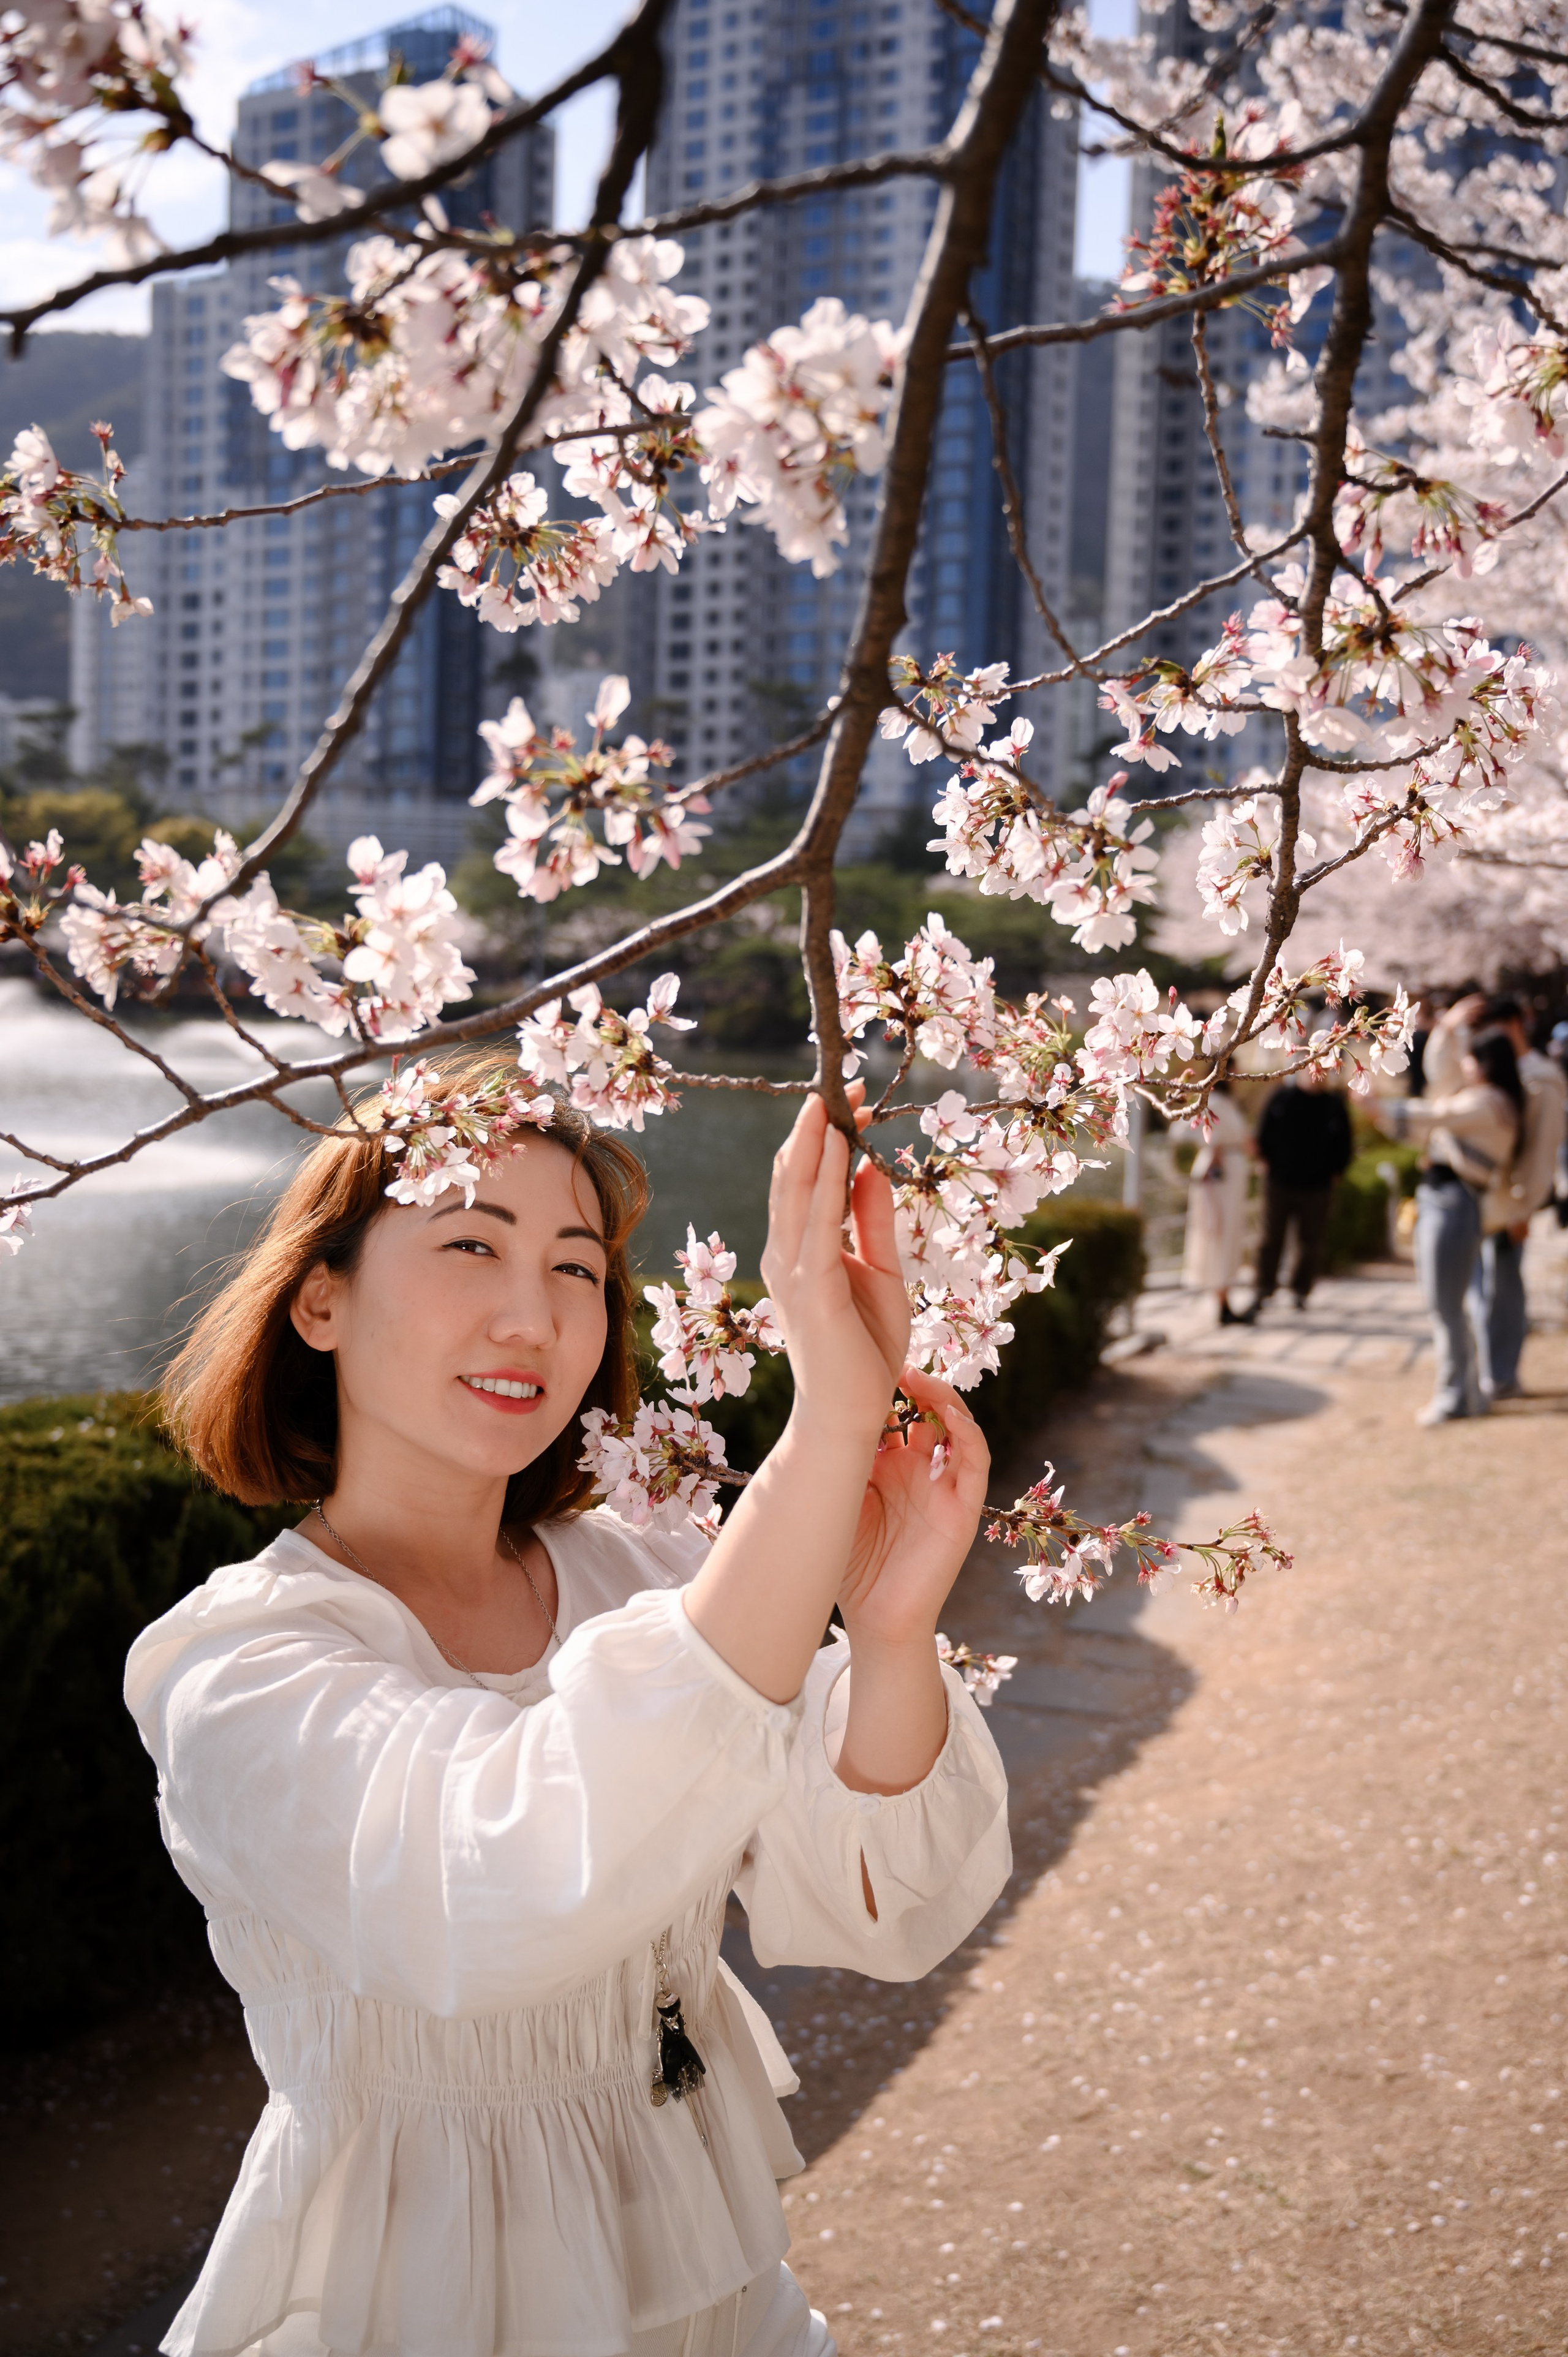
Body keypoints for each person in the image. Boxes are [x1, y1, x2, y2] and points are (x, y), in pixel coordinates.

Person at [124, 1051, 1011, 2357]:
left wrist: (884, 1633)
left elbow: (876, 1899)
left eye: (577, 1268)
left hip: (714, 2288)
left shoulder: (643, 1577)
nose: (532, 1318)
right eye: (471, 1246)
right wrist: (823, 1427)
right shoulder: (241, 1670)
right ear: (321, 1297)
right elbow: (509, 1872)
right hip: (418, 2295)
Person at [1376, 1027, 1524, 1424]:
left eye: (1471, 1058)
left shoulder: (1488, 1101)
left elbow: (1436, 1113)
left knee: (1445, 1307)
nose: (1465, 1065)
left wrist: (1376, 1106)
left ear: (1487, 1063)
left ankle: (1454, 1395)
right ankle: (1466, 1392)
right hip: (1452, 1202)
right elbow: (1444, 1090)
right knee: (1449, 1306)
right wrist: (1448, 1029)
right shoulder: (1497, 1101)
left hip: (1453, 1203)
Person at [1423, 994, 1567, 1399]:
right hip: (1475, 1199)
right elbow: (1444, 1085)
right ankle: (1484, 1375)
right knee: (1475, 1291)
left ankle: (1501, 1376)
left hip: (1507, 1203)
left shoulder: (1541, 1079)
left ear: (1517, 1025)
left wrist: (1524, 1204)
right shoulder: (1489, 1069)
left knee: (1502, 1291)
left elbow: (1541, 1150)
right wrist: (1447, 1031)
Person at [1245, 1057, 1353, 1316]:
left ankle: (1300, 1290)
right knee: (1271, 1238)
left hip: (1317, 1186)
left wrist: (1336, 1172)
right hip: (1279, 1182)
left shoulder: (1334, 1105)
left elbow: (1345, 1145)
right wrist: (1264, 1160)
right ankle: (1263, 1288)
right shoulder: (1281, 1098)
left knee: (1310, 1242)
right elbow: (1263, 1134)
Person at [1177, 1081, 1253, 1324]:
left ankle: (1224, 1297)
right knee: (1219, 1231)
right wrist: (1217, 1165)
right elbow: (1212, 1138)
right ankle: (1221, 1299)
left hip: (1226, 1171)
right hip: (1220, 1174)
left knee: (1225, 1232)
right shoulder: (1216, 1102)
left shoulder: (1225, 1103)